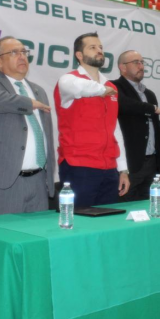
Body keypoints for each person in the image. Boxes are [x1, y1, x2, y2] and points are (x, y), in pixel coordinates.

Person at [0, 36, 55, 216]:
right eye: (14, 52)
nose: (22, 56)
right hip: (1, 182)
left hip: (38, 182)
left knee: (36, 233)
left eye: (24, 52)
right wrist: (28, 103)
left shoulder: (38, 90)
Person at [54, 32, 130, 206]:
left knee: (107, 218)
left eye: (101, 47)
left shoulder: (110, 86)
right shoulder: (68, 80)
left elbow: (115, 130)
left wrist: (123, 169)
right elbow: (81, 87)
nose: (99, 51)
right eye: (93, 47)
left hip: (109, 168)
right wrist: (102, 90)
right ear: (79, 55)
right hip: (79, 166)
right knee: (78, 218)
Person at [112, 50, 160, 201]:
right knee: (127, 208)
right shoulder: (114, 88)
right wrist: (151, 108)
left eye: (142, 62)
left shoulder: (149, 94)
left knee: (153, 207)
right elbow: (126, 105)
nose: (141, 66)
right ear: (122, 67)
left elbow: (158, 131)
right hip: (129, 164)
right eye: (136, 62)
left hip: (151, 164)